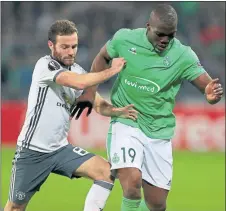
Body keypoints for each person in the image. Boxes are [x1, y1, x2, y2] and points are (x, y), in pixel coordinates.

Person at [75, 4, 224, 211]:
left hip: (158, 130)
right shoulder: (124, 39)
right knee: (132, 184)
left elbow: (206, 84)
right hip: (126, 120)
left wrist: (210, 92)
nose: (165, 40)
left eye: (170, 36)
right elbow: (103, 56)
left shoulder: (183, 55)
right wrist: (90, 91)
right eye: (160, 34)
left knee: (156, 204)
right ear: (148, 27)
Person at [4, 19, 139, 211]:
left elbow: (98, 104)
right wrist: (113, 70)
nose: (71, 51)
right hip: (32, 151)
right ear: (51, 45)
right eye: (65, 47)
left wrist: (118, 111)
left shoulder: (78, 70)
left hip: (60, 150)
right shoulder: (45, 65)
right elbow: (78, 83)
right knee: (15, 207)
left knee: (106, 172)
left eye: (74, 46)